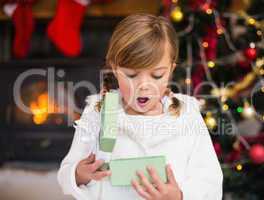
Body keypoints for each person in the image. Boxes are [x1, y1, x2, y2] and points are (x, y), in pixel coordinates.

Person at [57, 13, 223, 200]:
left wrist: (179, 196)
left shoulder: (186, 114)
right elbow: (66, 175)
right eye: (132, 75)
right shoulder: (98, 112)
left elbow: (210, 181)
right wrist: (79, 174)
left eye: (157, 75)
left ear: (170, 70)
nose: (144, 85)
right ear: (114, 68)